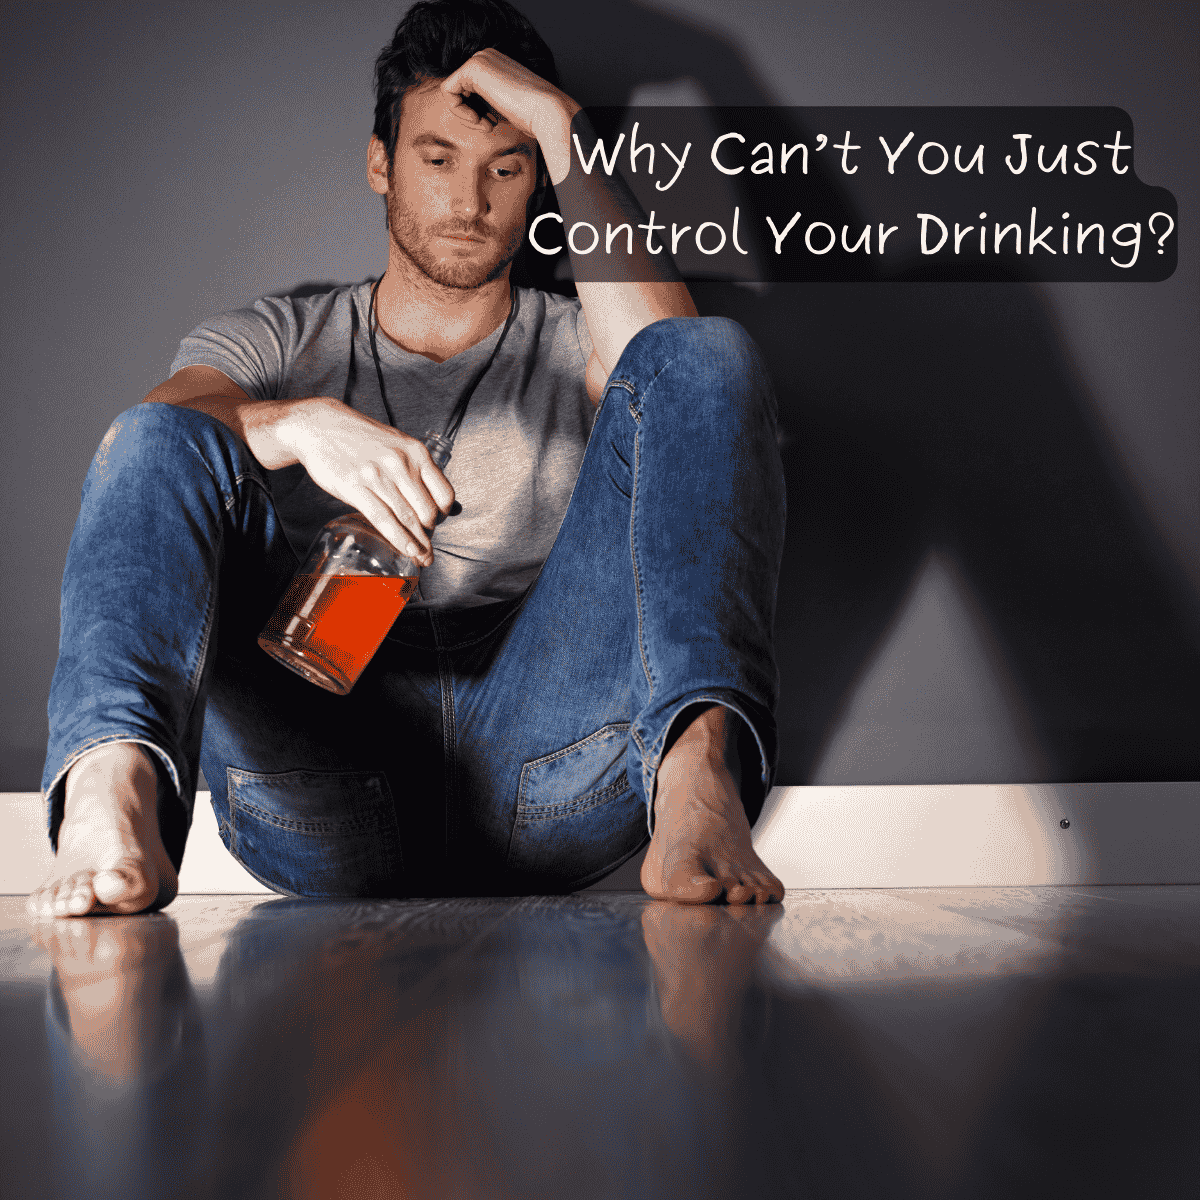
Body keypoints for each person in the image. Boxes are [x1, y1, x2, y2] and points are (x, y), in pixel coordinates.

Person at [27, 0, 785, 918]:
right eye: (437, 160)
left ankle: (700, 774)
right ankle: (111, 794)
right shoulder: (280, 337)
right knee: (159, 432)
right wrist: (298, 424)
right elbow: (153, 438)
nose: (468, 203)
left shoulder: (578, 338)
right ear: (381, 163)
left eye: (507, 168)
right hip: (317, 784)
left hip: (553, 767)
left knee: (707, 353)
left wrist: (564, 126)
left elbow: (682, 379)